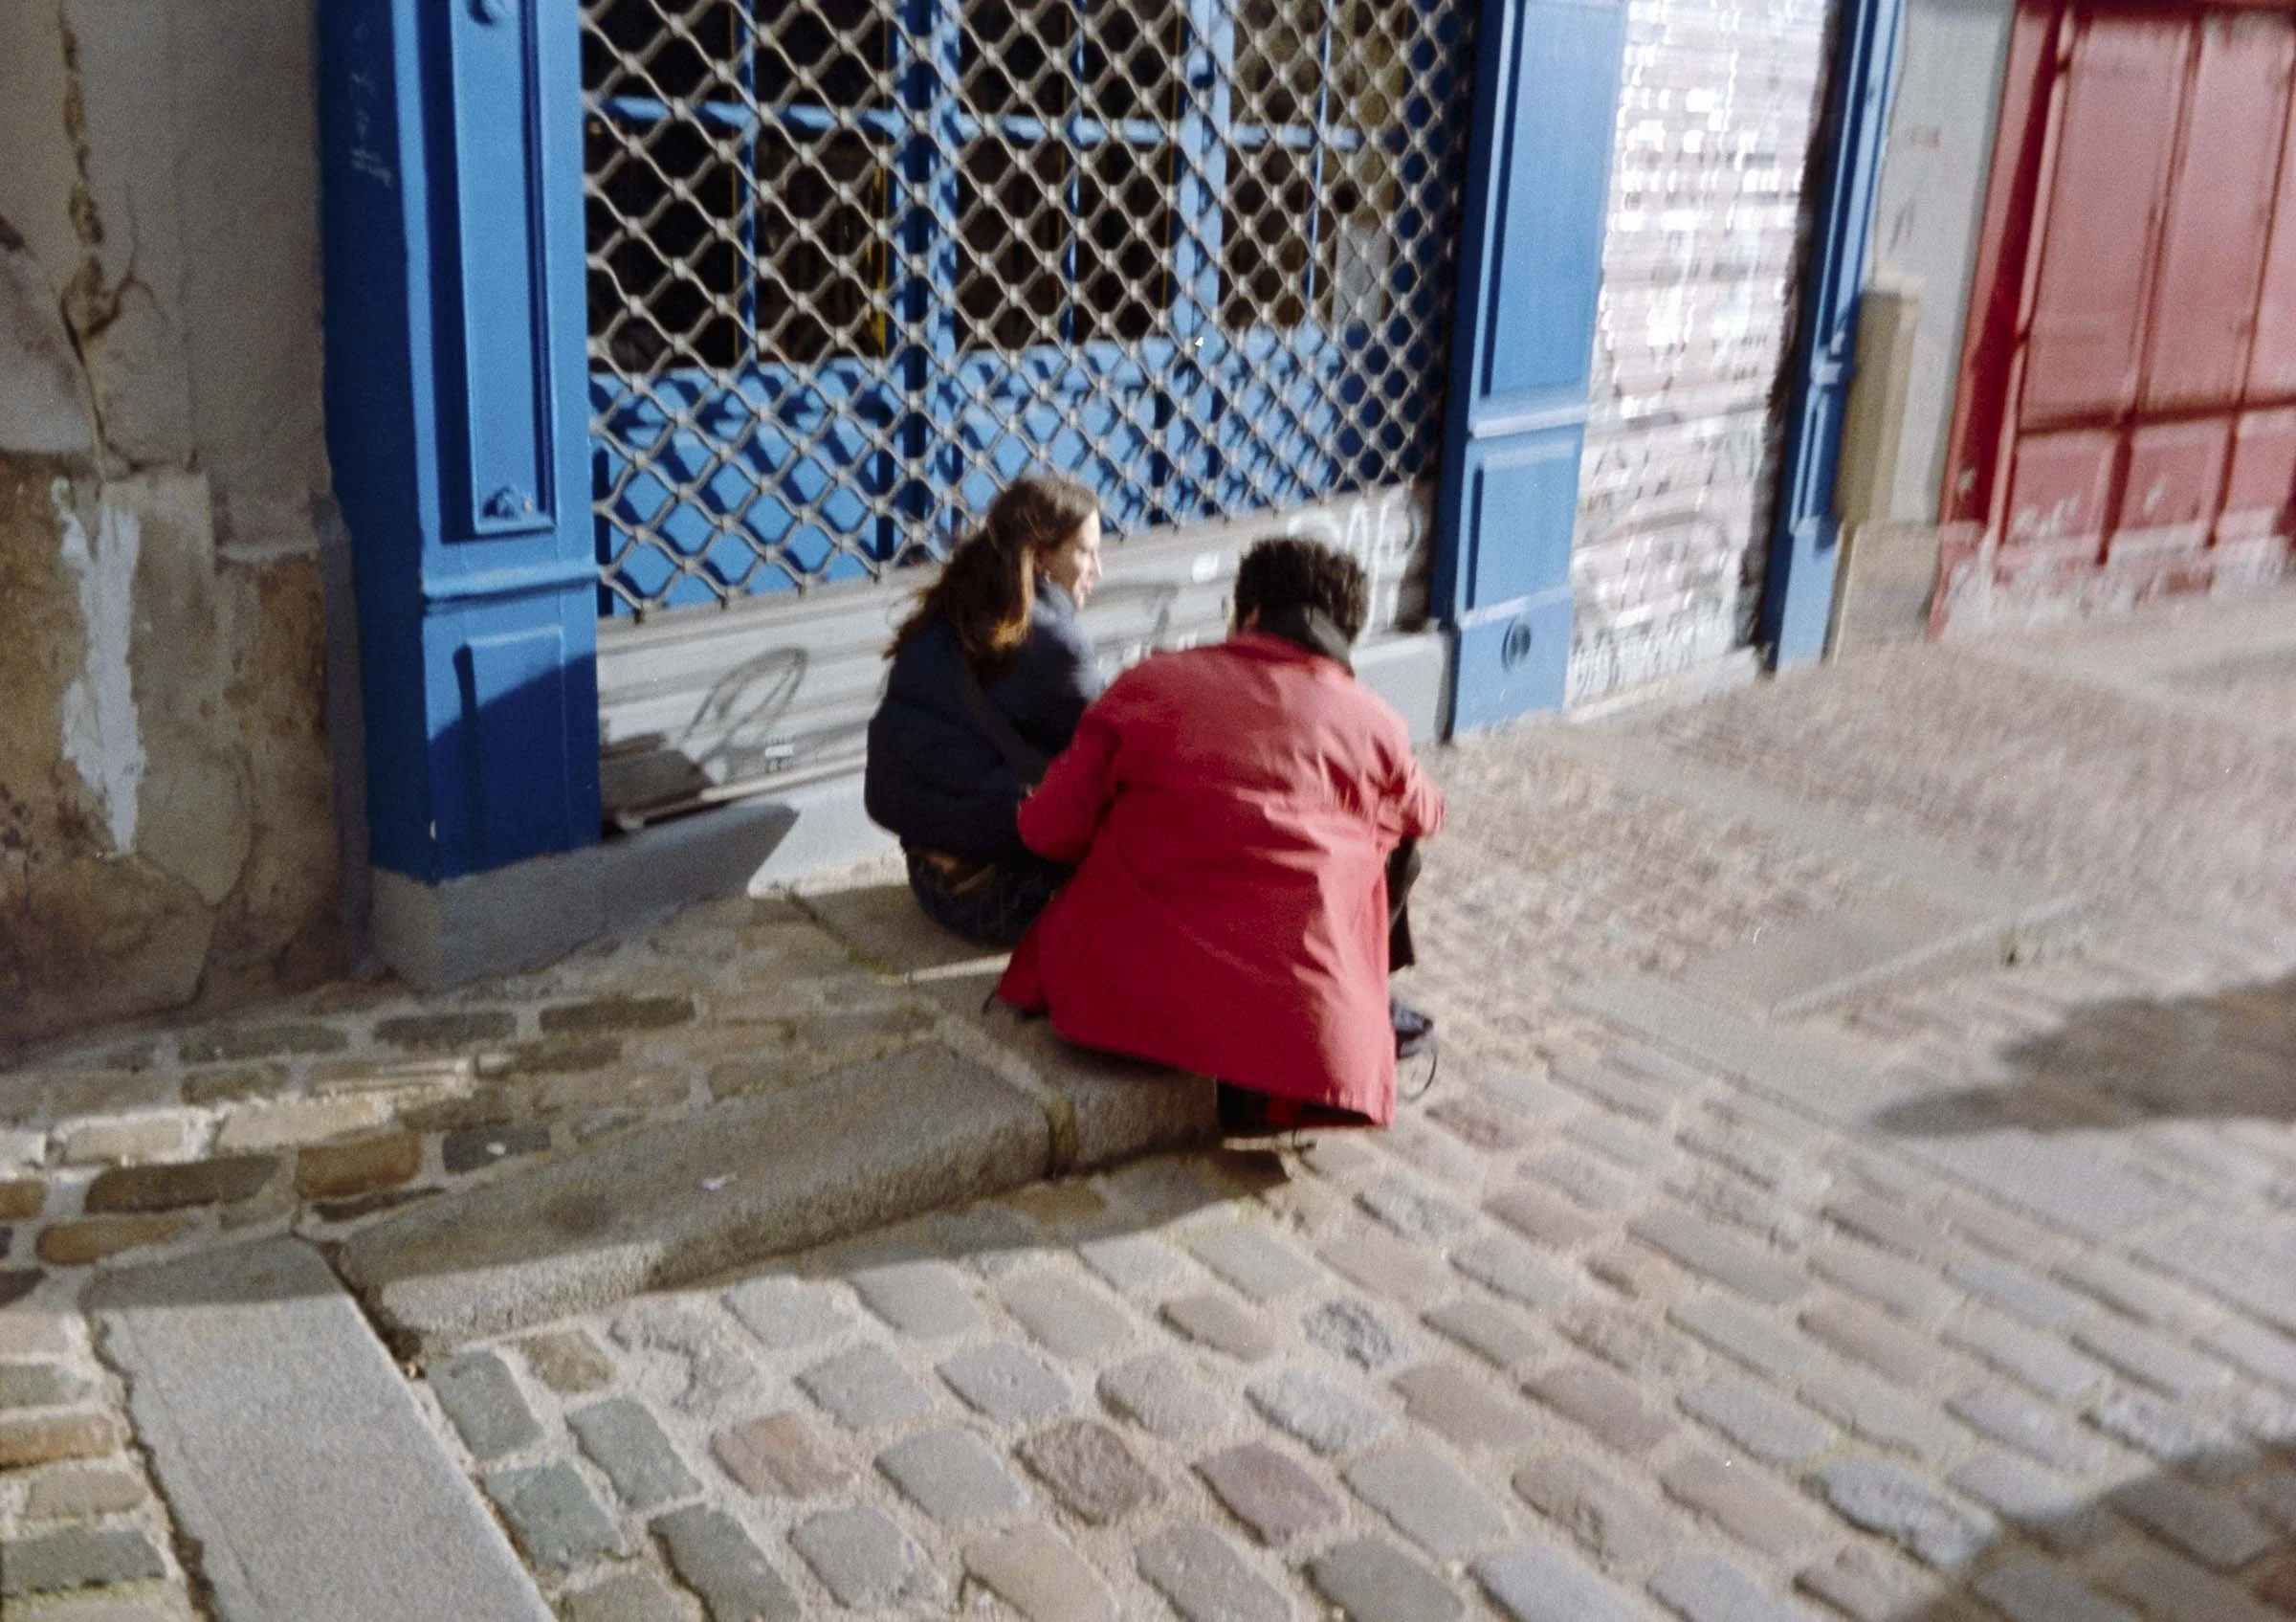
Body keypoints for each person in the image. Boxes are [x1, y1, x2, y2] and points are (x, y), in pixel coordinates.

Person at [995, 537, 1444, 1130]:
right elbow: (1428, 815)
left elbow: (1046, 830)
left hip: (1113, 1002)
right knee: (1392, 841)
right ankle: (1321, 1000)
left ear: (1250, 613)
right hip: (1305, 1038)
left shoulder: (1152, 682)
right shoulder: (1377, 724)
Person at [864, 475, 1105, 948]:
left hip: (928, 878)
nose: (1098, 569)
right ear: (1041, 552)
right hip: (994, 901)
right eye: (1085, 551)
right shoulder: (1055, 643)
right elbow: (1113, 750)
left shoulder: (954, 604)